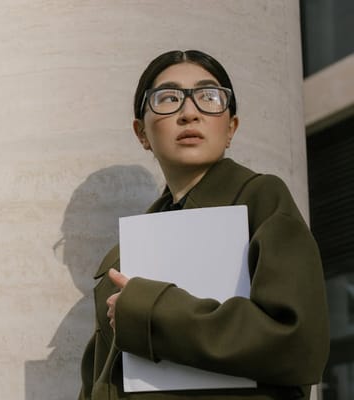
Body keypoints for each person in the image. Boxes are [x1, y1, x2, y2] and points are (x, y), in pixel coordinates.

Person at [78, 50, 330, 400]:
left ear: (230, 127)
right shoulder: (125, 255)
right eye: (167, 98)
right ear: (141, 133)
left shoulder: (262, 199)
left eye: (208, 97)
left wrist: (149, 311)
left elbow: (298, 342)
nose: (189, 112)